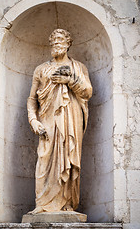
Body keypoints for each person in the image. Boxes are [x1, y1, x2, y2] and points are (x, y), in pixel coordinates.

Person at [27, 29, 92, 214]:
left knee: (68, 159)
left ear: (68, 43)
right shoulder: (41, 69)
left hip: (71, 118)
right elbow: (32, 99)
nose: (57, 43)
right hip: (47, 120)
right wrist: (33, 120)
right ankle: (42, 204)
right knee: (44, 159)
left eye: (61, 39)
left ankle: (67, 204)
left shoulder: (78, 67)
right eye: (53, 40)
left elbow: (88, 92)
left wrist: (70, 80)